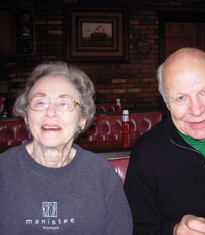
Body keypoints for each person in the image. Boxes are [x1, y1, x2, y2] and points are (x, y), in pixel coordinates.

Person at [0, 62, 132, 235]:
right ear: (26, 115)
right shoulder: (4, 169)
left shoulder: (100, 173)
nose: (51, 112)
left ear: (82, 119)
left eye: (64, 103)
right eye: (40, 102)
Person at [124, 47, 205, 235]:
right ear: (167, 102)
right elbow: (134, 229)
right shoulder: (147, 153)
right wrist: (174, 231)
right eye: (181, 97)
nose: (197, 110)